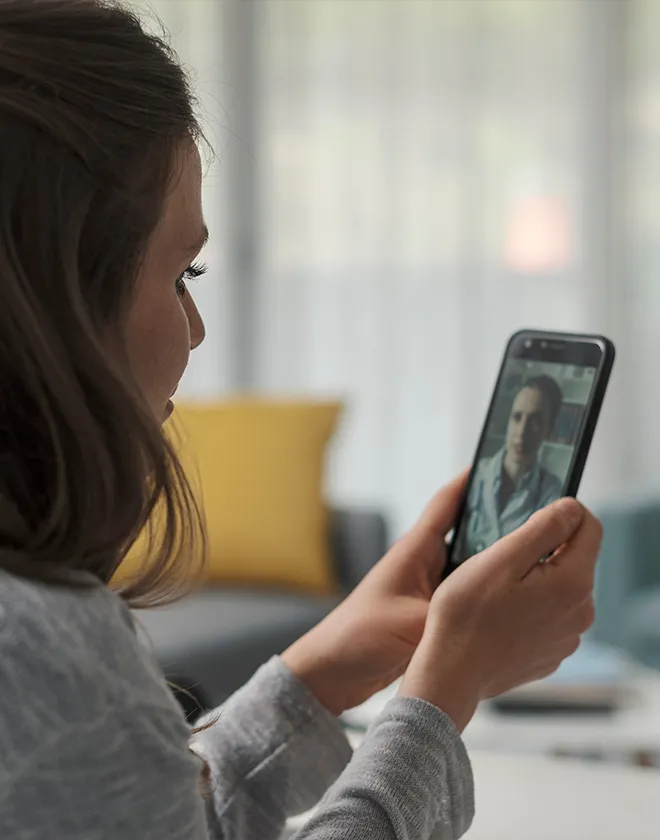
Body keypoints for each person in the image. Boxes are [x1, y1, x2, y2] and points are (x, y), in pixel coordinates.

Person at [0, 3, 601, 839]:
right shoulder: (44, 656)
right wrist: (438, 697)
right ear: (64, 295)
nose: (196, 329)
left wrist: (315, 679)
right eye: (184, 273)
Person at [455, 375, 565, 562]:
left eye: (535, 420)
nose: (522, 431)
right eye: (517, 417)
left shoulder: (552, 494)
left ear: (549, 429)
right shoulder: (476, 475)